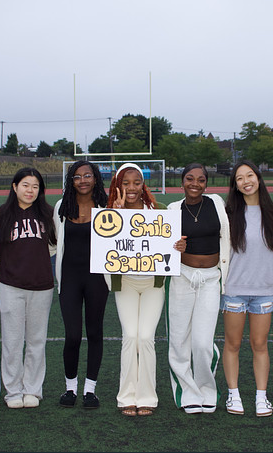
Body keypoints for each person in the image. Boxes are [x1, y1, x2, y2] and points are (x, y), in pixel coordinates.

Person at [166, 163, 230, 414]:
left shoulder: (216, 203)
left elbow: (229, 236)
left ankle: (206, 389)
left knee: (203, 342)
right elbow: (165, 244)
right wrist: (175, 246)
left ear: (206, 182)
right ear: (182, 182)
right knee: (179, 339)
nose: (195, 183)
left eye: (201, 179)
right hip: (182, 277)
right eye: (190, 179)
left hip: (211, 279)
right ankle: (187, 392)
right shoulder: (173, 209)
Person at [222, 160, 273, 417]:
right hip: (234, 289)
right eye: (239, 178)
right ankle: (233, 394)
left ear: (258, 177)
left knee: (260, 344)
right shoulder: (227, 214)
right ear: (235, 185)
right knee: (232, 344)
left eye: (250, 176)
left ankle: (261, 396)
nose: (246, 181)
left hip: (263, 291)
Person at [107, 163, 167, 417]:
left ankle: (147, 397)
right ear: (118, 185)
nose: (131, 188)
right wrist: (116, 216)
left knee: (146, 338)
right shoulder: (109, 214)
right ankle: (126, 397)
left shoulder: (159, 211)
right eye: (126, 183)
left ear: (144, 185)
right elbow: (102, 251)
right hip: (127, 283)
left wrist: (179, 244)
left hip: (153, 284)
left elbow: (170, 243)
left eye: (137, 182)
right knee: (130, 336)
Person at [0, 167, 57, 409]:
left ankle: (32, 389)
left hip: (42, 286)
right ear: (14, 187)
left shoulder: (48, 214)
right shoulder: (2, 214)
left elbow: (56, 245)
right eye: (25, 185)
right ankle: (12, 391)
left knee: (36, 341)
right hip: (11, 286)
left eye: (35, 186)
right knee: (12, 341)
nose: (30, 190)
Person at [53, 161, 110, 409]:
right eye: (77, 177)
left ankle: (90, 390)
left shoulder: (107, 206)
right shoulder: (61, 208)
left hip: (98, 278)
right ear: (71, 181)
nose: (83, 180)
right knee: (73, 335)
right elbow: (53, 243)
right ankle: (70, 389)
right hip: (70, 279)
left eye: (87, 175)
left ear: (95, 178)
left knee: (95, 332)